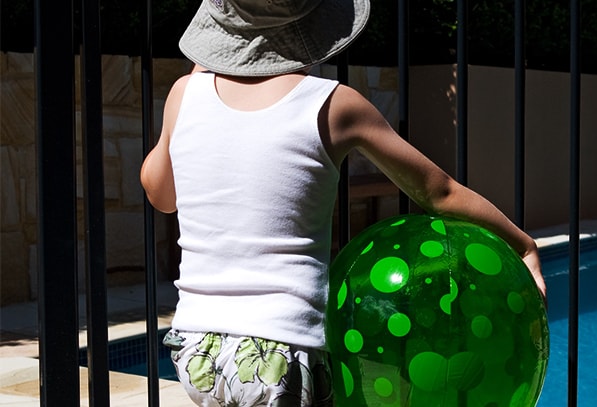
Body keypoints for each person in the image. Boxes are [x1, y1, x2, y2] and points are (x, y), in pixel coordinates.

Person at [140, 0, 546, 405]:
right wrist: (523, 246)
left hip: (197, 349)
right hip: (284, 352)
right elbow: (439, 192)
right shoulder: (332, 104)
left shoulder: (183, 95)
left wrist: (195, 78)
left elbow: (161, 195)